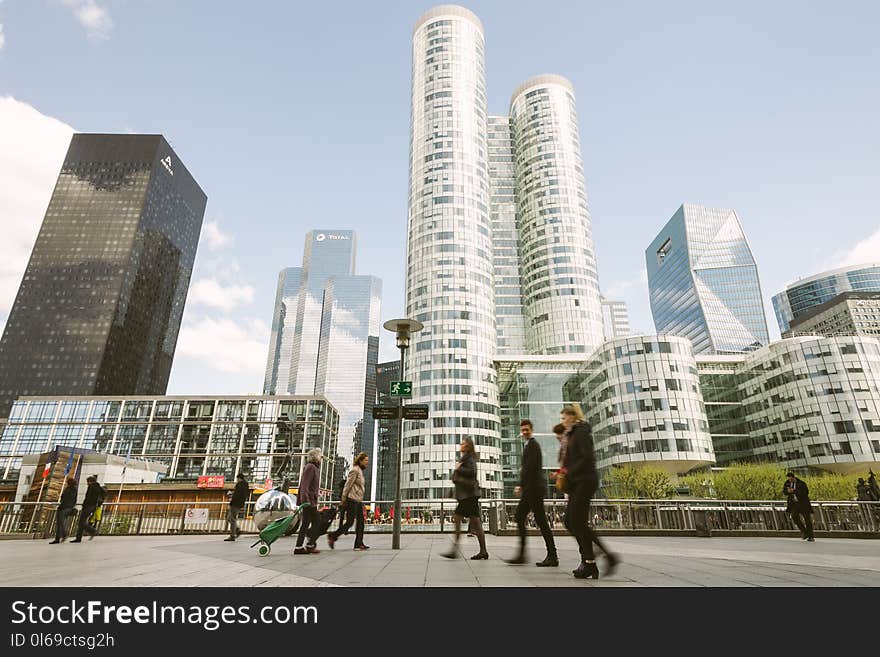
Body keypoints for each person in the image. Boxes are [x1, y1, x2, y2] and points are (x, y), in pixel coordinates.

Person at [561, 404, 619, 579]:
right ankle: (592, 560)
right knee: (570, 521)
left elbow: (586, 457)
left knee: (576, 523)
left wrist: (569, 473)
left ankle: (597, 559)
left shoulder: (582, 431)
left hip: (585, 481)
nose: (562, 422)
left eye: (564, 418)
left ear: (573, 417)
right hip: (577, 482)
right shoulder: (572, 434)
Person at [506, 419, 557, 567]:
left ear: (531, 429)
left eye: (527, 429)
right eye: (523, 430)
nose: (524, 432)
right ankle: (526, 554)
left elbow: (530, 468)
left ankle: (551, 555)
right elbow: (527, 468)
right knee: (523, 517)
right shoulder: (528, 446)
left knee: (539, 521)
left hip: (534, 489)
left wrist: (521, 485)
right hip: (531, 489)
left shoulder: (533, 445)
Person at [441, 437, 488, 560]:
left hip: (469, 496)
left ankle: (455, 550)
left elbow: (472, 472)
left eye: (463, 444)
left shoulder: (469, 458)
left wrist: (458, 468)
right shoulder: (465, 458)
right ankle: (483, 551)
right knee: (476, 523)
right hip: (468, 496)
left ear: (467, 446)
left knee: (458, 519)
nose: (461, 445)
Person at [327, 452, 370, 550]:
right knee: (350, 522)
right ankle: (333, 536)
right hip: (352, 499)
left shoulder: (360, 471)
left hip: (358, 500)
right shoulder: (355, 470)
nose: (367, 462)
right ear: (360, 461)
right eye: (366, 460)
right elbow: (348, 485)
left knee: (361, 522)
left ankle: (358, 543)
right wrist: (343, 498)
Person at [294, 448, 323, 554]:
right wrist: (305, 501)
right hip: (309, 502)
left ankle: (299, 547)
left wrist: (316, 493)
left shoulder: (314, 468)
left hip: (311, 500)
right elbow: (304, 485)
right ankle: (309, 544)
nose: (321, 458)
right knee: (318, 521)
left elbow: (311, 486)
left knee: (306, 523)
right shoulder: (310, 467)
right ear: (315, 457)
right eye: (320, 456)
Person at [71, 475, 104, 542]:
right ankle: (78, 538)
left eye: (87, 482)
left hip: (88, 506)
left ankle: (92, 531)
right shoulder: (99, 487)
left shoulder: (91, 487)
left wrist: (84, 505)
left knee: (81, 522)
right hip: (93, 506)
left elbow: (88, 497)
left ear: (90, 481)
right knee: (81, 522)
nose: (87, 483)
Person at [783, 471, 814, 542]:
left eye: (791, 479)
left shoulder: (801, 483)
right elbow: (784, 491)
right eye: (789, 479)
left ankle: (811, 536)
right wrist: (788, 491)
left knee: (807, 520)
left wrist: (794, 491)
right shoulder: (787, 483)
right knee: (794, 516)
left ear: (794, 478)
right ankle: (804, 531)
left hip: (803, 504)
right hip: (794, 504)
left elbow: (805, 493)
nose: (789, 480)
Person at [49, 477, 78, 544]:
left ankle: (63, 535)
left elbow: (65, 498)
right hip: (67, 507)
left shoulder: (70, 489)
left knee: (60, 523)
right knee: (60, 523)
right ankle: (60, 537)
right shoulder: (73, 490)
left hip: (64, 508)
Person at [224, 473, 250, 541]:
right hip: (240, 504)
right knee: (229, 518)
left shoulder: (240, 485)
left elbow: (237, 495)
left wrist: (232, 497)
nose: (237, 480)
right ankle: (237, 529)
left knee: (232, 519)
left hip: (235, 504)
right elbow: (244, 494)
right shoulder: (246, 485)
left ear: (239, 478)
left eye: (237, 478)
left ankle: (232, 535)